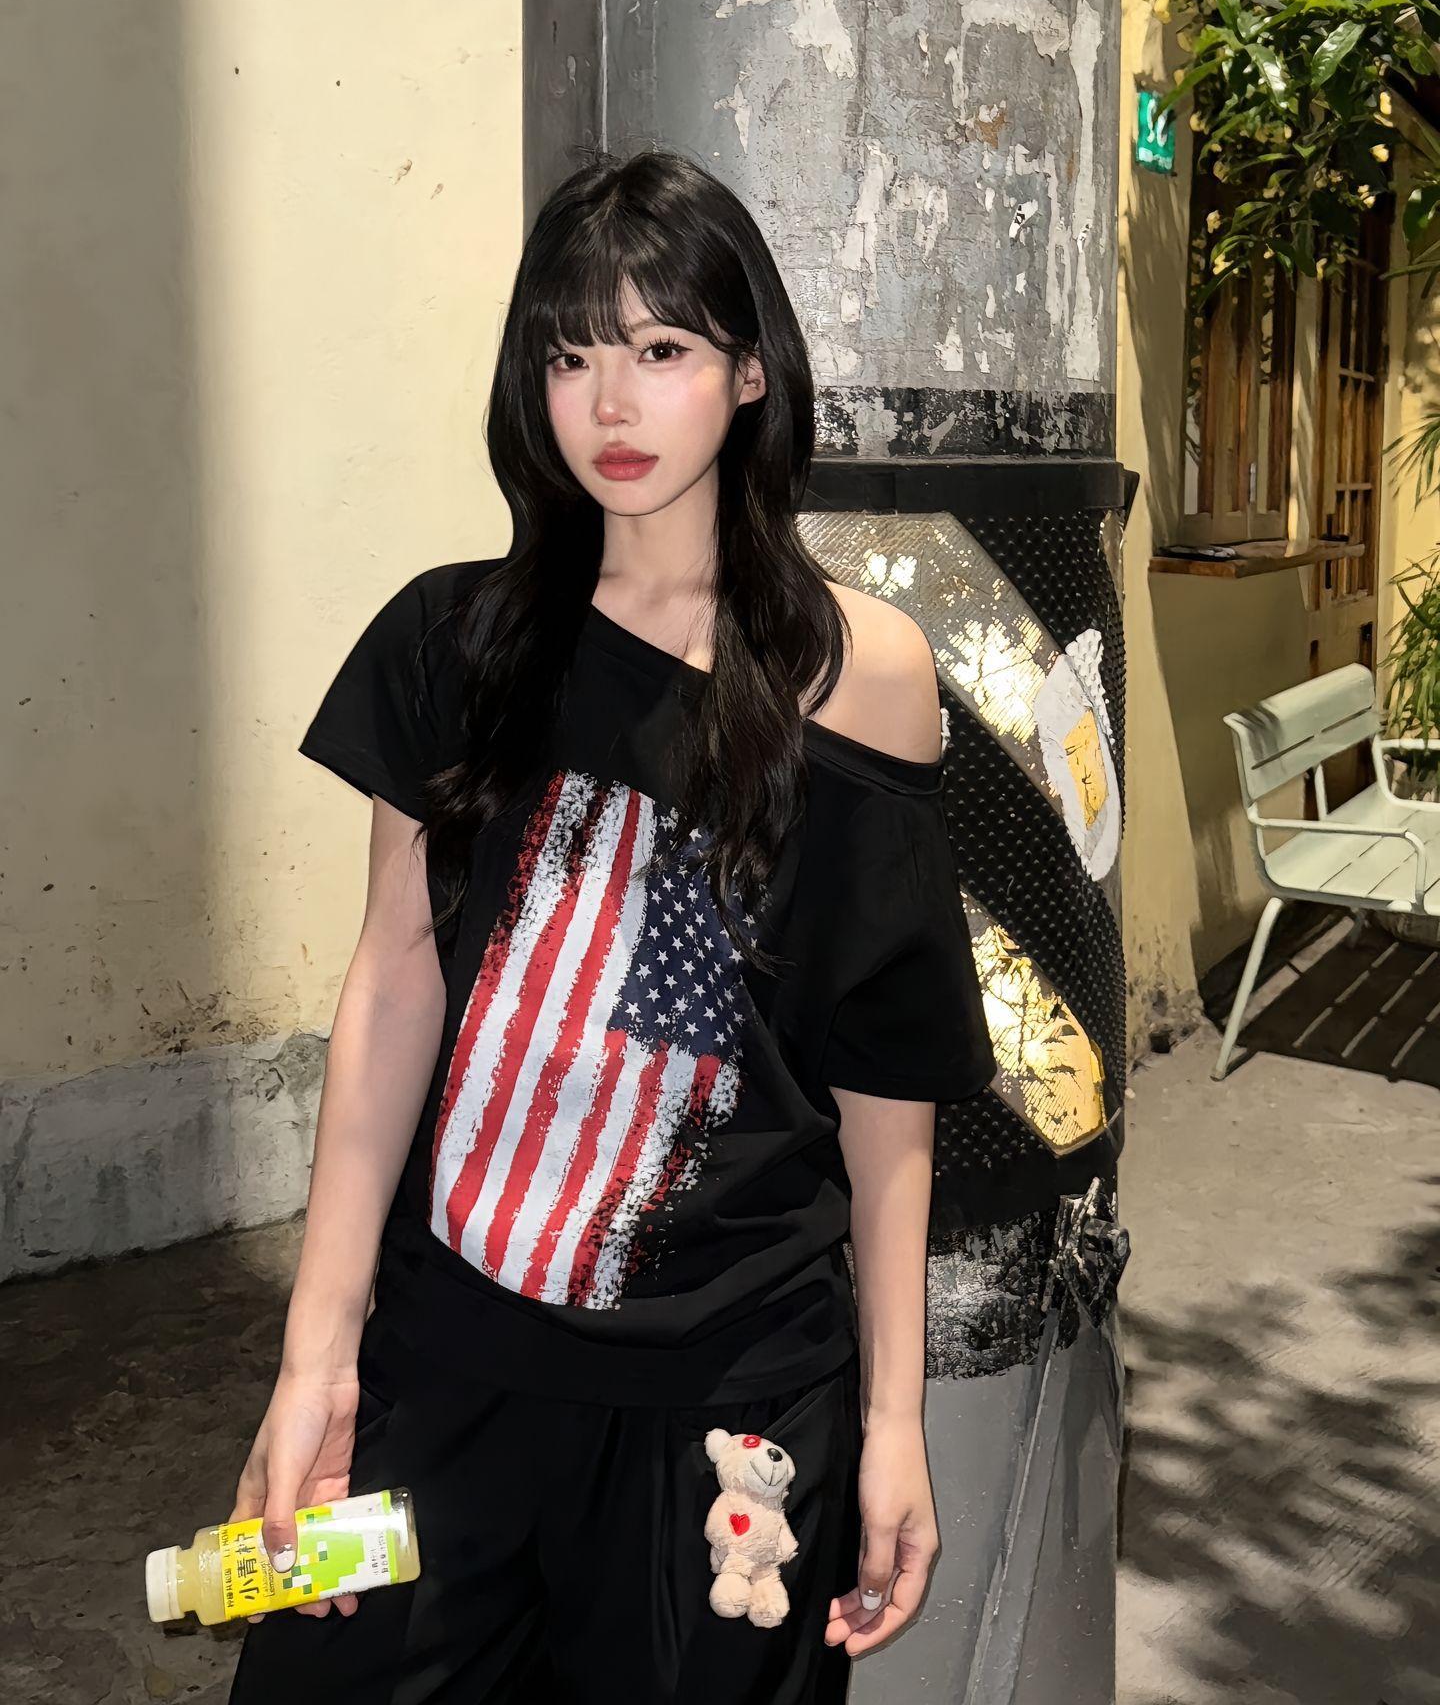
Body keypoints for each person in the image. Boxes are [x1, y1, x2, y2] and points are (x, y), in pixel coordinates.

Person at [225, 148, 996, 1705]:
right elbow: (394, 982)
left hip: (731, 1405)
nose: (612, 403)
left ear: (751, 372)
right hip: (449, 1361)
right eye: (571, 355)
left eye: (661, 349)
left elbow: (883, 1080)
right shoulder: (455, 640)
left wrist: (896, 1422)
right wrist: (319, 1357)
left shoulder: (865, 675)